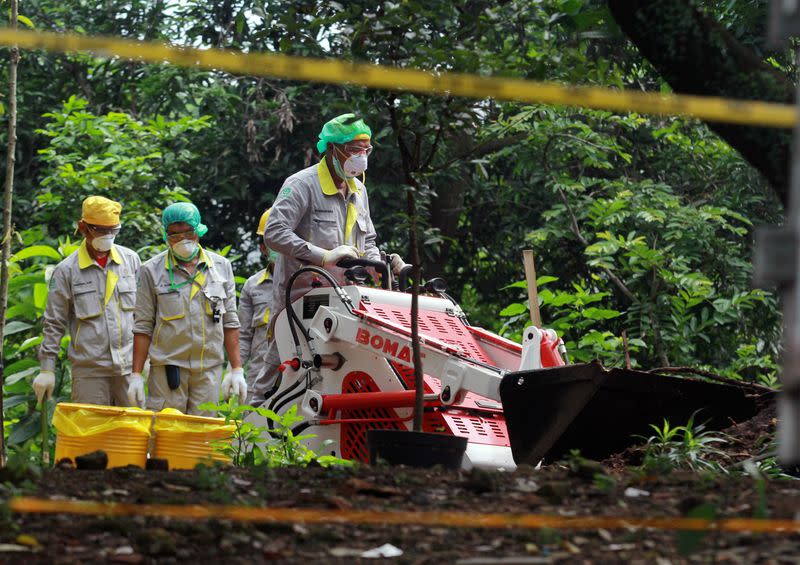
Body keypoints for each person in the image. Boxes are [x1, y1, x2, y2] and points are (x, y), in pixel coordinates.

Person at [248, 113, 405, 405]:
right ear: (333, 149)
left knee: (331, 376)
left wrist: (374, 267)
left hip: (345, 303)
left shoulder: (359, 189)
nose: (362, 158)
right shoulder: (302, 185)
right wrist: (322, 257)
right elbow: (274, 233)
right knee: (278, 375)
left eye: (366, 150)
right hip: (300, 301)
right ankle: (252, 434)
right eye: (355, 150)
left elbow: (367, 239)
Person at [129, 202, 246, 415]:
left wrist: (236, 369)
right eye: (174, 235)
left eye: (188, 233)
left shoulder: (220, 268)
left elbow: (229, 321)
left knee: (202, 438)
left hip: (208, 371)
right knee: (167, 436)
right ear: (166, 236)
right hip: (168, 372)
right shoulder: (151, 271)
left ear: (198, 231)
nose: (182, 240)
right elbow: (143, 325)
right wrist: (136, 375)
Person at [35, 196, 141, 406]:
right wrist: (47, 368)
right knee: (92, 433)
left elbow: (144, 315)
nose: (107, 236)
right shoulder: (67, 270)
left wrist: (144, 365)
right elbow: (54, 322)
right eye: (101, 230)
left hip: (128, 368)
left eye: (113, 230)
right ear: (83, 228)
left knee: (133, 434)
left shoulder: (130, 260)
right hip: (89, 372)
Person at [237, 208, 276, 394]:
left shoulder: (311, 282)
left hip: (299, 375)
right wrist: (235, 370)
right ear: (263, 248)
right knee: (253, 421)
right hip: (258, 377)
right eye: (273, 243)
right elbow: (243, 335)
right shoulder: (253, 285)